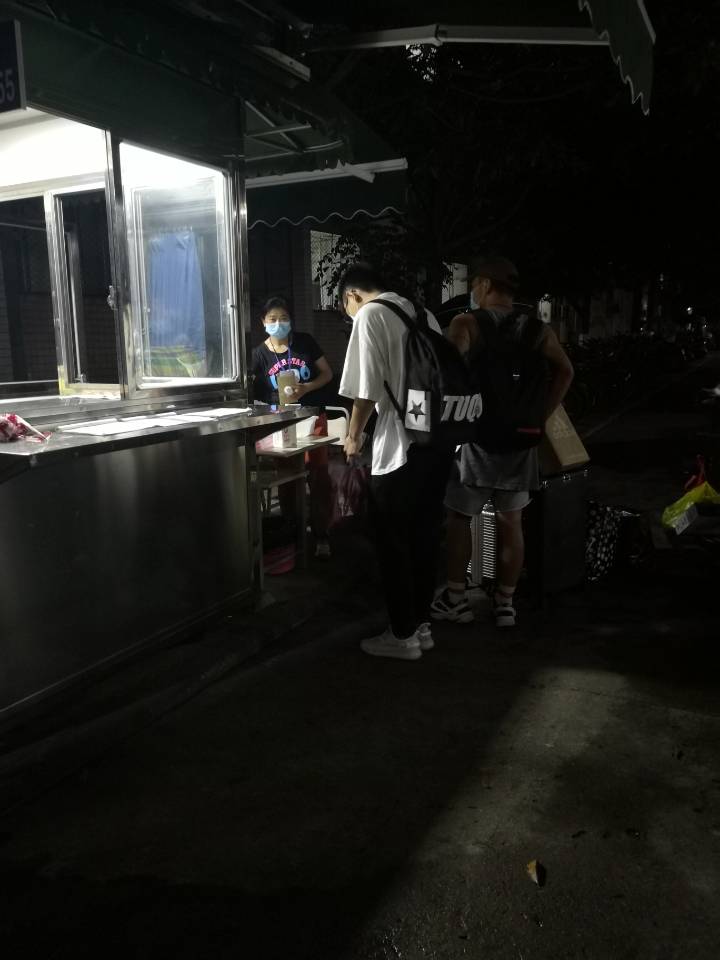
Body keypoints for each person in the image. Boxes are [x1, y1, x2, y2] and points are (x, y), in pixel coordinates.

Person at [430, 257, 574, 627]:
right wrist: (541, 414)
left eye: (474, 285)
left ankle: (456, 599)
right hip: (522, 440)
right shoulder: (538, 330)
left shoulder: (467, 323)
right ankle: (506, 604)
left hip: (477, 439)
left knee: (460, 517)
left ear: (485, 285)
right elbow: (566, 371)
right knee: (512, 522)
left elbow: (448, 370)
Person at [338, 263, 455, 660]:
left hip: (399, 448)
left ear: (352, 295)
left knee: (392, 543)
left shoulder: (370, 314)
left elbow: (365, 389)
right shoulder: (423, 314)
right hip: (435, 442)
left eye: (346, 308)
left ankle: (402, 636)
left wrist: (353, 435)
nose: (350, 315)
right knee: (425, 538)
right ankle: (421, 627)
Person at [251, 296, 334, 559]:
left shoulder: (305, 342)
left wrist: (307, 388)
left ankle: (322, 535)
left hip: (312, 418)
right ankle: (293, 534)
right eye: (273, 319)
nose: (279, 324)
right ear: (263, 322)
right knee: (287, 480)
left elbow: (327, 373)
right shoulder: (258, 355)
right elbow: (254, 393)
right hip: (282, 424)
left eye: (284, 318)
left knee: (318, 476)